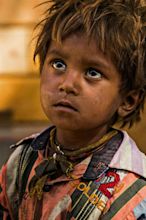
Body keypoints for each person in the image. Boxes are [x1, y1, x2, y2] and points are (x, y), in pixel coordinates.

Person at [0, 0, 146, 219]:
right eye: (58, 64)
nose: (67, 84)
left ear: (128, 100)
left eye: (93, 72)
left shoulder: (128, 192)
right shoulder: (22, 160)